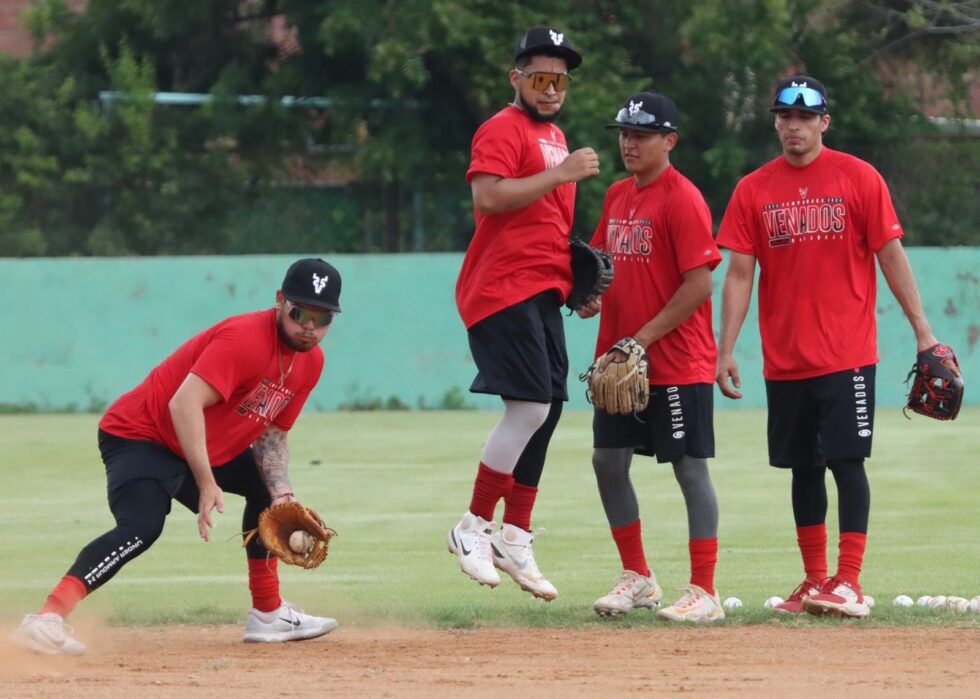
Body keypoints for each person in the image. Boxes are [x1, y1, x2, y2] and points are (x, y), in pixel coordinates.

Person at [10, 258, 343, 654]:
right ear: (279, 301)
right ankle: (47, 618)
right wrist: (206, 483)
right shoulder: (244, 338)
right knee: (141, 526)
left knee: (267, 493)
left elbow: (271, 436)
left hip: (197, 443)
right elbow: (183, 404)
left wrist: (283, 494)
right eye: (300, 311)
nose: (309, 324)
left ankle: (269, 615)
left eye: (321, 317)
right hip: (141, 434)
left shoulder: (311, 363)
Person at [715, 76, 952, 618]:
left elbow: (890, 255)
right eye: (784, 117)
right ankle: (815, 579)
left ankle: (848, 581)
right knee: (802, 469)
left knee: (847, 463)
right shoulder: (754, 188)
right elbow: (738, 274)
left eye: (805, 117)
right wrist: (725, 348)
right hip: (785, 358)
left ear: (825, 121)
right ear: (775, 122)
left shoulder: (858, 178)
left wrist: (923, 331)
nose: (793, 126)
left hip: (846, 354)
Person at [447, 26, 600, 600]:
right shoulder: (501, 128)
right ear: (516, 78)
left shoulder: (557, 135)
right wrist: (560, 175)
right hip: (500, 289)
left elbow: (547, 228)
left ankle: (513, 533)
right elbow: (488, 197)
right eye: (540, 77)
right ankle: (473, 526)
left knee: (549, 407)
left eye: (561, 78)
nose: (553, 87)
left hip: (540, 289)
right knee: (531, 404)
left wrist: (573, 287)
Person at [577, 92, 724, 623]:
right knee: (608, 463)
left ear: (669, 141)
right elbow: (599, 266)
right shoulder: (618, 195)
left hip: (676, 361)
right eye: (624, 132)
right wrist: (587, 296)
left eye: (641, 134)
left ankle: (704, 591)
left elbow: (699, 286)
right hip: (621, 361)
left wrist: (640, 338)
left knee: (689, 470)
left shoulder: (682, 198)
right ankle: (638, 577)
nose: (629, 142)